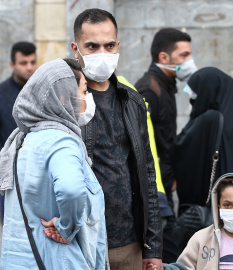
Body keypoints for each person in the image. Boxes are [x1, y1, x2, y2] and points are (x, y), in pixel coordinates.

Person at [71, 8, 163, 270]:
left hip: (128, 244)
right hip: (80, 242)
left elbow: (147, 174)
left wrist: (153, 247)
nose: (102, 53)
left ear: (118, 45)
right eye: (92, 46)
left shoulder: (132, 101)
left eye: (109, 45)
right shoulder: (65, 100)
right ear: (75, 48)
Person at [0, 58, 106, 269]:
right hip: (57, 260)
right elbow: (71, 189)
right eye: (83, 90)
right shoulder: (61, 141)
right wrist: (67, 227)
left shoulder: (23, 141)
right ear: (64, 98)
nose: (88, 98)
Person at [173, 67, 233, 248]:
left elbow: (181, 150)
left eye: (196, 94)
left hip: (211, 220)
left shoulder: (209, 120)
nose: (193, 100)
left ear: (208, 92)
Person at [135, 28, 197, 263]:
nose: (189, 62)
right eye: (183, 56)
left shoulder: (165, 86)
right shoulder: (148, 90)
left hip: (165, 186)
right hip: (156, 195)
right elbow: (145, 145)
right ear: (164, 58)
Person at [0, 41, 36, 223]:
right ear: (12, 65)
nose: (29, 67)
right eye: (23, 63)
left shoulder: (43, 91)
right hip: (12, 178)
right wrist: (6, 159)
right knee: (14, 230)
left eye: (33, 62)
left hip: (40, 173)